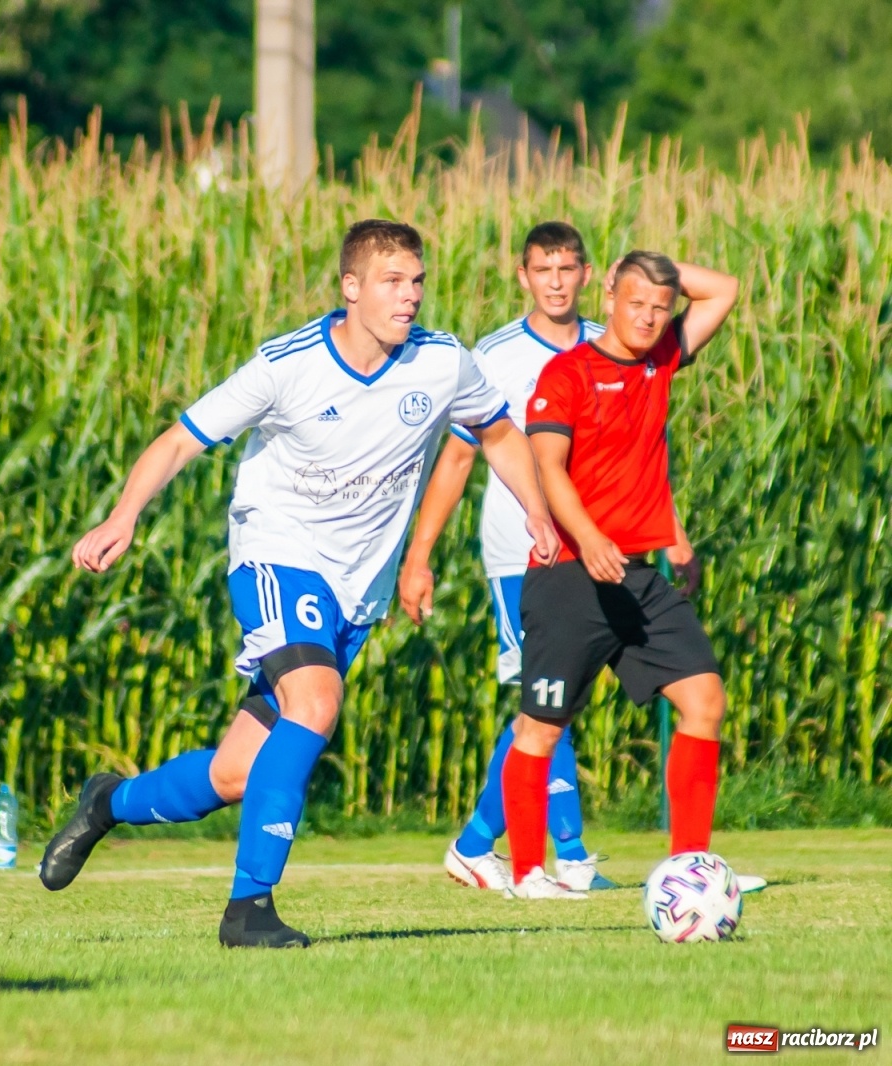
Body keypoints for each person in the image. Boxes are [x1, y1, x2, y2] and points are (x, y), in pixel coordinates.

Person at [40, 219, 559, 947]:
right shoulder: (287, 365)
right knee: (316, 703)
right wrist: (123, 517)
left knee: (232, 775)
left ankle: (108, 803)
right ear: (351, 288)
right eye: (391, 281)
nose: (409, 296)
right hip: (275, 551)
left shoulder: (443, 363)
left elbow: (498, 430)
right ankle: (249, 911)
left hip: (357, 591)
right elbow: (182, 437)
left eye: (416, 281)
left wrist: (537, 510)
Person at [501, 250, 764, 899]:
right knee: (541, 726)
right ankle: (529, 874)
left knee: (704, 701)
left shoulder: (659, 359)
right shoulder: (567, 373)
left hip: (640, 577)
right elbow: (548, 467)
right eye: (635, 301)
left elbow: (724, 287)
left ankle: (692, 869)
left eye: (660, 307)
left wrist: (652, 264)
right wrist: (587, 538)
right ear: (610, 295)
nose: (648, 317)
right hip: (568, 575)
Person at [399, 221, 629, 893]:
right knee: (547, 695)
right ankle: (571, 858)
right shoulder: (494, 355)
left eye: (568, 268)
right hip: (520, 550)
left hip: (595, 545)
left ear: (588, 274)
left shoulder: (608, 345)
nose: (555, 281)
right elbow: (458, 459)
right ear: (522, 276)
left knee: (561, 695)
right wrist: (420, 557)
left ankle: (476, 842)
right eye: (542, 269)